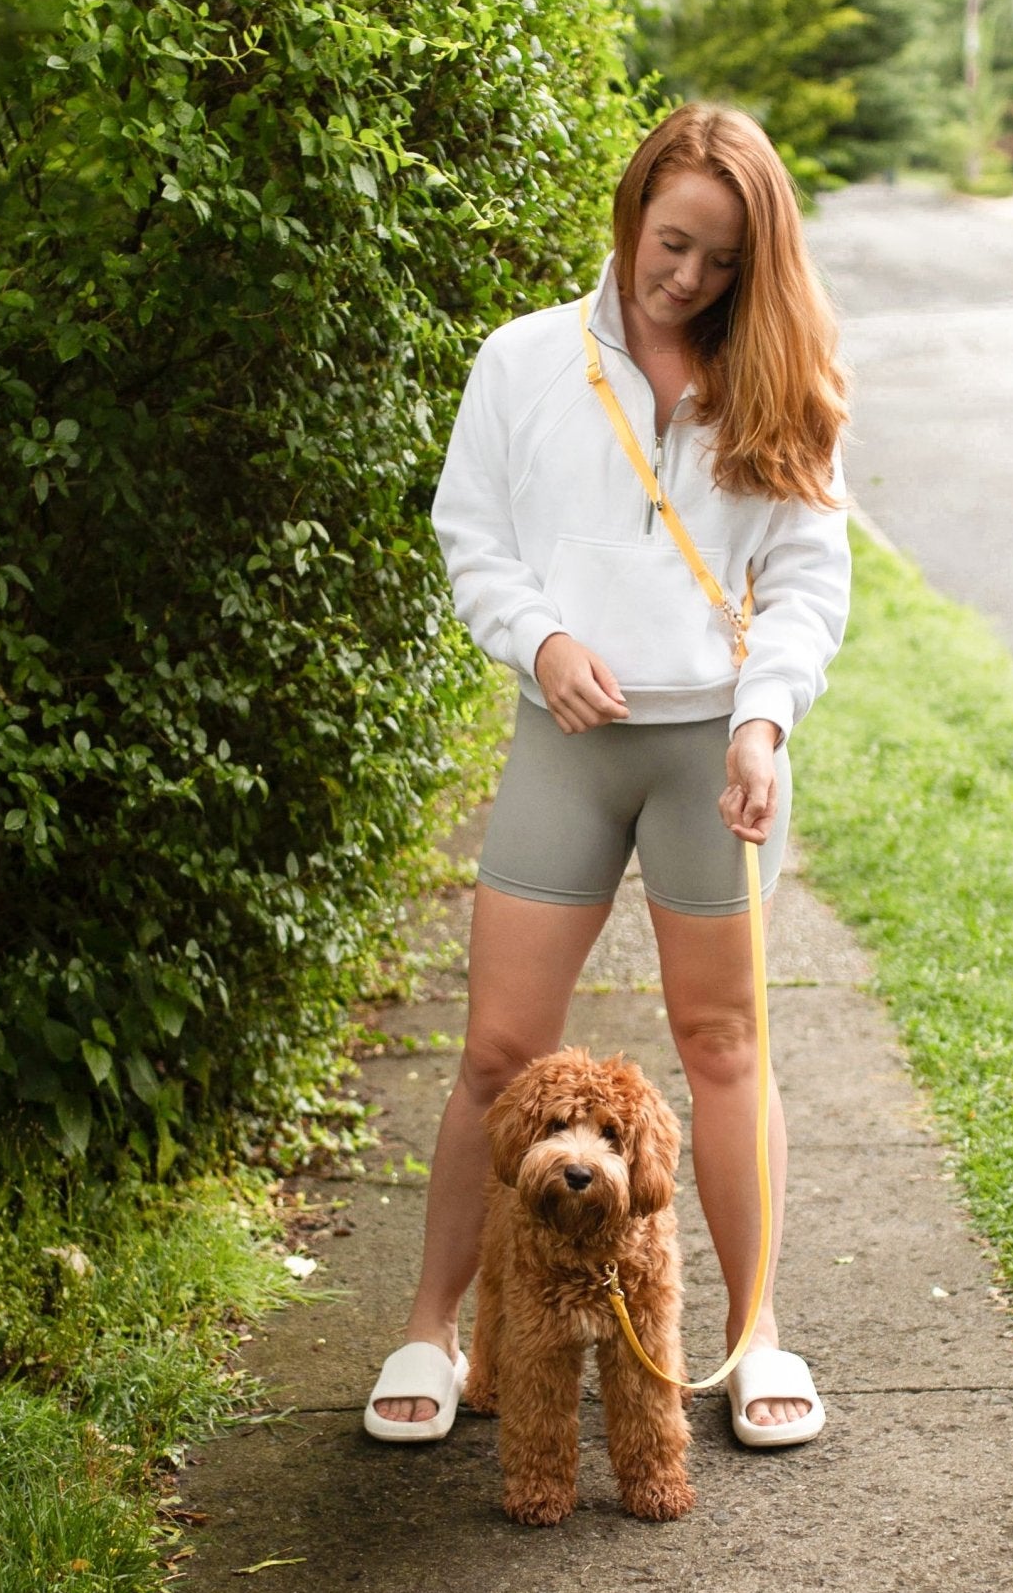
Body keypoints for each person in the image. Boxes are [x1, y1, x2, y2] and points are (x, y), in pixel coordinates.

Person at [364, 102, 851, 1448]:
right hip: (568, 742)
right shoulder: (525, 360)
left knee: (726, 1047)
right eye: (671, 242)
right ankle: (431, 1328)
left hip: (716, 752)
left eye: (722, 260)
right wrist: (541, 639)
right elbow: (472, 535)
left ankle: (755, 1336)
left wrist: (765, 721)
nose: (686, 277)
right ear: (633, 211)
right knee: (497, 1054)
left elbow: (808, 583)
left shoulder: (782, 376)